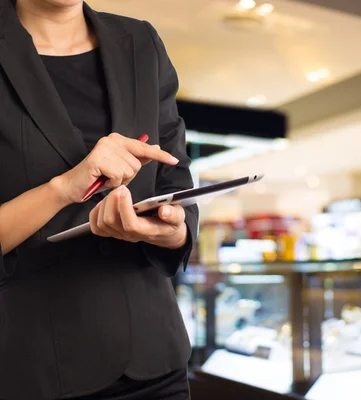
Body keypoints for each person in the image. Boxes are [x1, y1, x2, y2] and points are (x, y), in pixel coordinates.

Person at [0, 0, 199, 398]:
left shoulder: (141, 40)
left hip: (154, 360)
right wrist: (63, 188)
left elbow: (175, 180)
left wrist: (169, 229)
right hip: (33, 369)